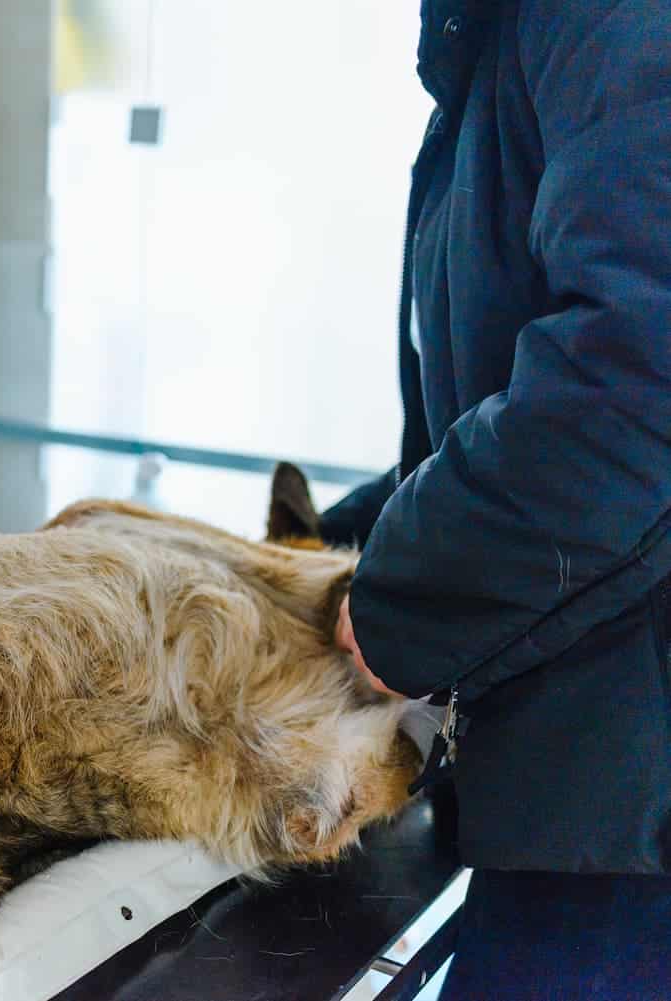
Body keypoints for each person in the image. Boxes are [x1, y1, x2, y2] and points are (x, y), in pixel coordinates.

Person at [327, 2, 671, 997]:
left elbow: (635, 381)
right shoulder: (505, 40)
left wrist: (400, 600)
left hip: (625, 831)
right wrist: (339, 549)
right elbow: (493, 393)